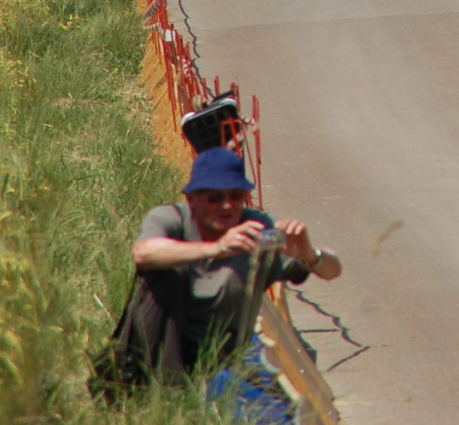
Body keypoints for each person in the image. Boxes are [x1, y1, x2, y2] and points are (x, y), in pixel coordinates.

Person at [127, 147, 340, 381]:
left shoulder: (256, 228)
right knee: (168, 274)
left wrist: (309, 254)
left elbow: (332, 271)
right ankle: (161, 386)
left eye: (235, 196)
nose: (227, 206)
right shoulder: (170, 219)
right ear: (192, 199)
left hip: (220, 359)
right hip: (157, 351)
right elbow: (143, 254)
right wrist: (218, 248)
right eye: (214, 198)